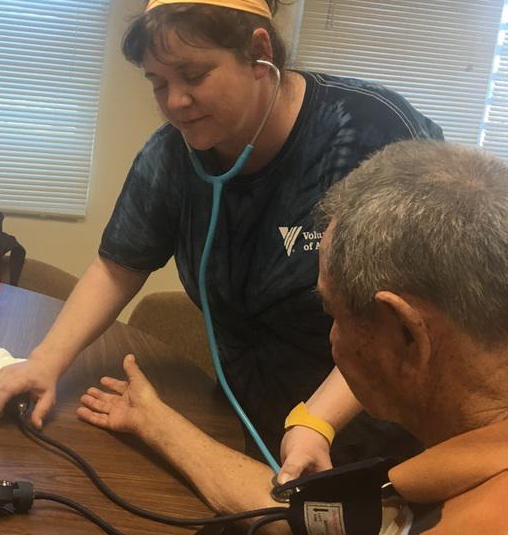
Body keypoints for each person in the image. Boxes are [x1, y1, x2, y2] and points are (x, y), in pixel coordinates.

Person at [0, 0, 442, 478]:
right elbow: (117, 266)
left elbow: (411, 316)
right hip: (245, 423)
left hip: (375, 436)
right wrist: (44, 363)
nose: (174, 102)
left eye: (194, 75)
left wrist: (317, 422)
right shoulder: (173, 156)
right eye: (158, 83)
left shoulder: (375, 137)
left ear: (259, 53)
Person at [77, 140, 508, 533]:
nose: (332, 340)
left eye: (331, 314)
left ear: (406, 336)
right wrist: (156, 422)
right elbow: (317, 521)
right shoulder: (458, 475)